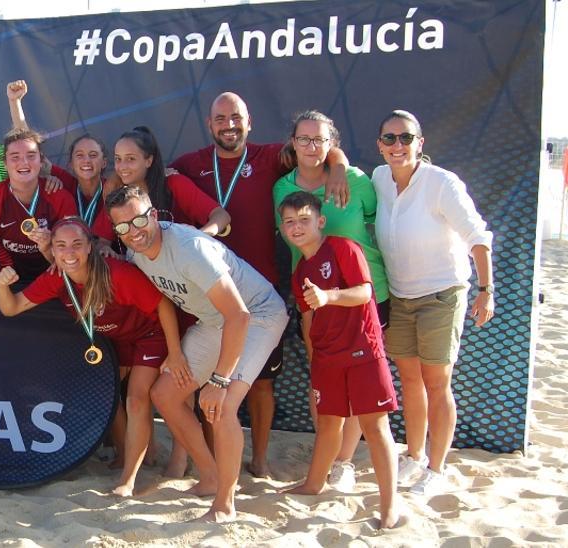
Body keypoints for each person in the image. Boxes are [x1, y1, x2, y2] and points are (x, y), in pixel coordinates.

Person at [169, 92, 350, 478]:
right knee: (207, 382)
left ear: (249, 122)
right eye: (220, 119)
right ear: (209, 124)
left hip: (262, 295)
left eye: (236, 117)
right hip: (208, 295)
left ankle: (261, 458)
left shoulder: (270, 157)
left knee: (261, 384)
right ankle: (213, 456)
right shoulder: (190, 165)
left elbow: (317, 150)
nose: (228, 125)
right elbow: (150, 174)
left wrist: (338, 166)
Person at [106, 186, 288, 522]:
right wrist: (173, 353)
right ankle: (209, 475)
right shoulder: (136, 256)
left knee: (222, 404)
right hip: (213, 321)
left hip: (257, 313)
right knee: (165, 394)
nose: (134, 232)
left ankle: (224, 505)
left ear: (154, 215)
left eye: (139, 220)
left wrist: (219, 379)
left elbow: (240, 316)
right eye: (123, 227)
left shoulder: (189, 248)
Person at [0, 218, 182, 497]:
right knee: (107, 392)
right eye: (61, 246)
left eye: (76, 245)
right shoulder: (56, 277)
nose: (69, 253)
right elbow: (11, 309)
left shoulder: (116, 273)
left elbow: (163, 305)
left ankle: (128, 480)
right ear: (53, 251)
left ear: (91, 247)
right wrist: (1, 285)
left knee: (136, 397)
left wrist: (176, 353)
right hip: (115, 340)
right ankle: (127, 454)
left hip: (149, 333)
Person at [372, 110, 494, 497]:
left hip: (442, 294)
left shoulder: (442, 183)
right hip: (401, 296)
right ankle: (415, 455)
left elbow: (478, 236)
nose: (397, 146)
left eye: (405, 138)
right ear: (379, 145)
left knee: (437, 383)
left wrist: (486, 289)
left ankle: (437, 468)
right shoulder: (377, 179)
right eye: (389, 139)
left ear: (420, 143)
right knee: (409, 380)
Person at [272, 110, 390, 489]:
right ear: (292, 143)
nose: (311, 147)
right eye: (303, 139)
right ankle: (325, 462)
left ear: (332, 144)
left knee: (359, 387)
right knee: (322, 378)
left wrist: (339, 167)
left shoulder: (356, 180)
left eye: (319, 140)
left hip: (364, 297)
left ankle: (343, 463)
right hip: (311, 297)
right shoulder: (282, 188)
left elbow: (379, 220)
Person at [277, 190, 401, 529]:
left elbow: (364, 292)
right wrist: (314, 357)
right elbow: (307, 318)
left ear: (320, 221)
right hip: (327, 357)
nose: (297, 227)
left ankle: (390, 507)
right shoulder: (301, 268)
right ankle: (314, 484)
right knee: (329, 424)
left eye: (303, 219)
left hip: (363, 350)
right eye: (289, 222)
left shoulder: (344, 248)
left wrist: (328, 296)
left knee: (375, 428)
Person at [0, 129, 77, 280]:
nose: (24, 162)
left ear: (41, 161)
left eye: (31, 156)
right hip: (9, 278)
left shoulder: (61, 198)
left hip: (55, 275)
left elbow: (71, 260)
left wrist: (48, 247)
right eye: (15, 157)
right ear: (5, 163)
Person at [94, 127, 230, 242]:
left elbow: (221, 216)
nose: (122, 166)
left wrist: (196, 239)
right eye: (118, 159)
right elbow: (102, 241)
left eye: (131, 159)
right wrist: (107, 249)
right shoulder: (118, 192)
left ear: (148, 161)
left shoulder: (173, 183)